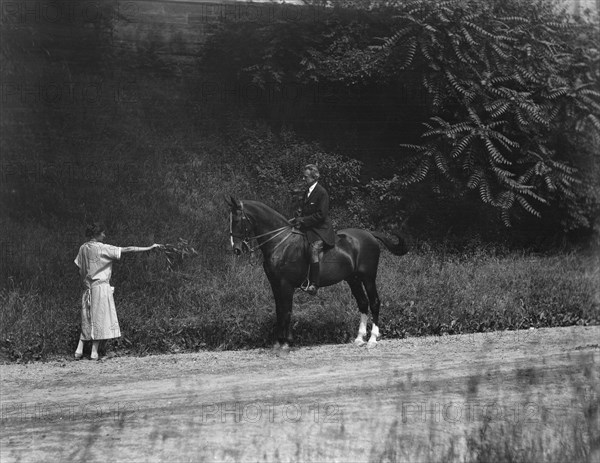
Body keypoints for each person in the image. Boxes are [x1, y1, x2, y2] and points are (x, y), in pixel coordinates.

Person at [74, 222, 163, 360]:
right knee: (99, 318)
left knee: (87, 318)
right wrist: (149, 248)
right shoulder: (102, 248)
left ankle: (79, 350)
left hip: (87, 288)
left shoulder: (82, 248)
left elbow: (79, 268)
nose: (104, 235)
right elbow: (128, 249)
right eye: (102, 233)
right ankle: (94, 351)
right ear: (96, 234)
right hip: (100, 287)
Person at [289, 164, 336, 295]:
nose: (304, 179)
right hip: (309, 228)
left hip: (321, 230)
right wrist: (298, 217)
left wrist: (303, 220)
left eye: (306, 177)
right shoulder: (307, 192)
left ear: (314, 177)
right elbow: (306, 212)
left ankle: (314, 284)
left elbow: (321, 215)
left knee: (314, 249)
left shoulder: (322, 192)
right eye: (304, 177)